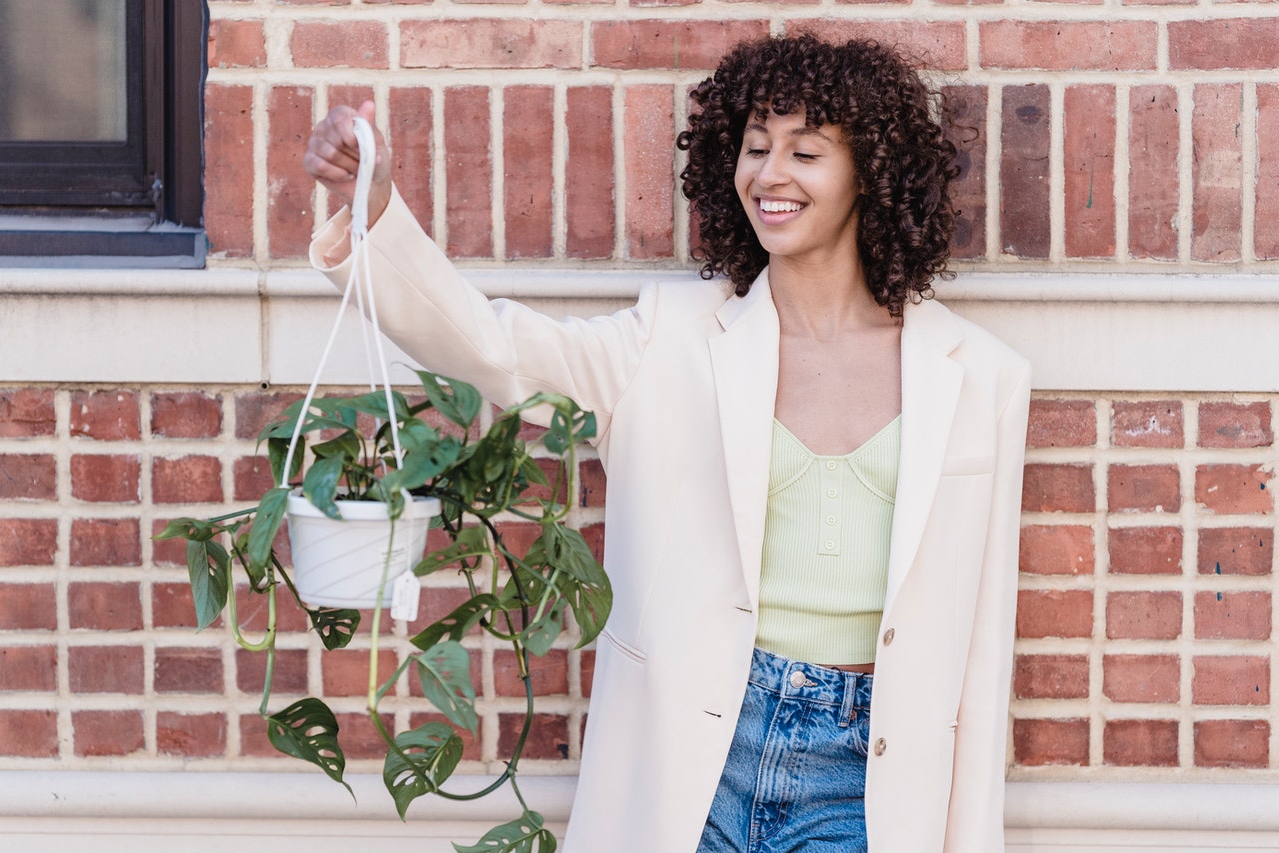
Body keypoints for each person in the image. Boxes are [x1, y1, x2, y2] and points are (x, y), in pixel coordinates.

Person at [304, 34, 1031, 853]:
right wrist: (375, 216)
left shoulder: (980, 379)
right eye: (755, 147)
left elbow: (981, 658)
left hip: (867, 776)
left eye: (805, 151)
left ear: (871, 171)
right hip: (697, 759)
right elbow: (494, 350)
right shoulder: (668, 340)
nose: (770, 174)